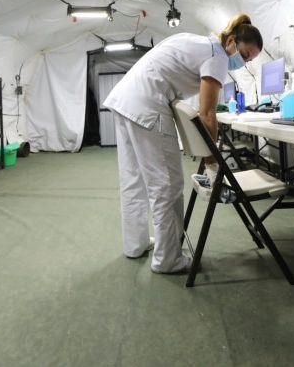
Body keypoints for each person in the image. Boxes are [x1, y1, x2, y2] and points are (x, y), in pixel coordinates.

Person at [103, 14, 263, 273]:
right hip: (147, 105)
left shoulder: (198, 42)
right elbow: (208, 113)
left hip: (125, 100)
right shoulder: (218, 56)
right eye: (244, 56)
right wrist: (212, 162)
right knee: (167, 186)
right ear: (232, 42)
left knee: (134, 180)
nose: (243, 63)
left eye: (249, 60)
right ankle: (168, 260)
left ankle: (136, 244)